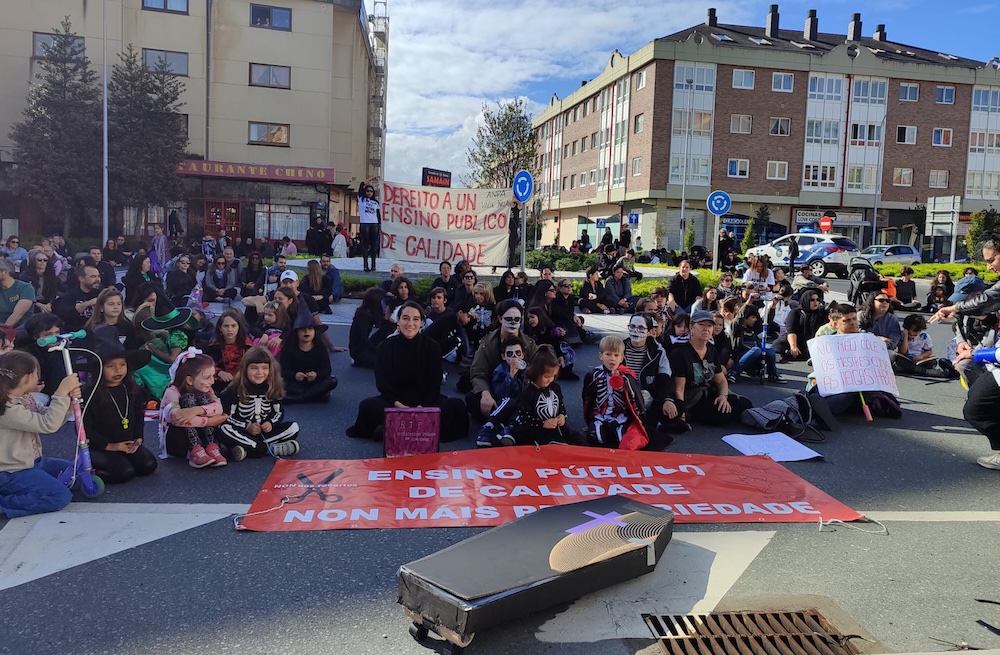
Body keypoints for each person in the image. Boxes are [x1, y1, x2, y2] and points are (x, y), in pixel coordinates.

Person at [347, 301, 469, 441]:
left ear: (422, 323)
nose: (410, 323)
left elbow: (434, 383)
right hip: (395, 402)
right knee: (367, 406)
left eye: (416, 319)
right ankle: (418, 431)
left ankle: (394, 431)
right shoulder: (385, 347)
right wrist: (399, 405)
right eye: (405, 318)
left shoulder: (432, 347)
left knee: (457, 406)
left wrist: (421, 407)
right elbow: (383, 384)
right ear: (398, 321)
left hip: (425, 402)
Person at [0, 350, 82, 518]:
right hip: (11, 472)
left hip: (33, 461)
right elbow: (47, 425)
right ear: (29, 377)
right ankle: (4, 503)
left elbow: (49, 416)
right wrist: (60, 393)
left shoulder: (25, 397)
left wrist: (67, 401)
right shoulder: (6, 408)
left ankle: (37, 483)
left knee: (76, 476)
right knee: (59, 496)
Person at [82, 327, 157, 484]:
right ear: (99, 368)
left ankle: (123, 457)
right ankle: (88, 471)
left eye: (122, 364)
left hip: (127, 442)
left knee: (148, 465)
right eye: (111, 366)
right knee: (125, 473)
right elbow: (84, 428)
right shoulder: (91, 393)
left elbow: (138, 415)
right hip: (101, 446)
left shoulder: (131, 389)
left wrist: (138, 438)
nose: (118, 370)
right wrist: (110, 446)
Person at [481, 346, 580, 446]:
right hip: (535, 430)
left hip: (555, 427)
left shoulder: (555, 387)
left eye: (553, 376)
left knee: (577, 440)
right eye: (546, 377)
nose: (550, 379)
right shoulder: (528, 392)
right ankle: (502, 430)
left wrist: (562, 416)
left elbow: (561, 406)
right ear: (536, 373)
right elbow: (525, 418)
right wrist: (542, 424)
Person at [669, 309, 751, 426]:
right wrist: (681, 416)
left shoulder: (711, 350)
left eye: (709, 325)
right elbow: (679, 388)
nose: (706, 329)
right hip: (692, 399)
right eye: (701, 325)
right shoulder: (680, 353)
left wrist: (723, 397)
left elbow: (721, 380)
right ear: (691, 327)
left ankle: (769, 418)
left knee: (743, 404)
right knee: (723, 414)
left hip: (708, 392)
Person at [219, 346, 300, 459]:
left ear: (270, 369)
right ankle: (269, 449)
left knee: (293, 427)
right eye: (254, 368)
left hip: (264, 433)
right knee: (225, 429)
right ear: (245, 369)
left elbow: (278, 412)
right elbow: (227, 417)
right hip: (242, 431)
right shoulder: (234, 390)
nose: (260, 372)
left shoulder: (273, 388)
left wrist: (270, 423)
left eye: (264, 368)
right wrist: (246, 426)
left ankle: (247, 448)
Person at [466, 300, 538, 421]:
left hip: (522, 391)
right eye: (509, 319)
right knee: (472, 398)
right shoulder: (487, 343)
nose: (513, 323)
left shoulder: (529, 344)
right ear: (500, 319)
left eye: (517, 319)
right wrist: (486, 394)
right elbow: (478, 373)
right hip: (496, 389)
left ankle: (501, 418)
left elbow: (539, 370)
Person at [622, 313, 685, 442]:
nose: (635, 331)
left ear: (650, 331)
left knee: (677, 406)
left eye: (640, 328)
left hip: (648, 397)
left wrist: (667, 400)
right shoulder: (619, 347)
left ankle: (644, 421)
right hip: (623, 396)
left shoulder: (658, 351)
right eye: (632, 327)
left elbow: (664, 378)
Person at [160, 350, 228, 468]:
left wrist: (196, 410)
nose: (212, 381)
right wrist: (209, 421)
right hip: (178, 439)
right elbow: (176, 418)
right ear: (189, 380)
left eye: (213, 376)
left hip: (199, 429)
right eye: (207, 377)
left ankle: (210, 445)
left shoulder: (207, 390)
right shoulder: (172, 391)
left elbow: (218, 407)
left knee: (203, 398)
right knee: (188, 398)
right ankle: (195, 448)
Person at [582, 336, 648, 449]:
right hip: (600, 415)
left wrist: (624, 387)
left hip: (620, 416)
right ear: (601, 355)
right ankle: (599, 428)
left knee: (623, 442)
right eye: (608, 354)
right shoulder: (594, 375)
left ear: (622, 358)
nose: (612, 359)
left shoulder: (627, 377)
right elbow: (586, 396)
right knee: (596, 439)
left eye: (616, 355)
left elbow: (636, 399)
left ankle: (616, 429)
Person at [475, 336, 528, 447]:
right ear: (504, 356)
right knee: (510, 401)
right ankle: (488, 427)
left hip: (518, 407)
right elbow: (501, 393)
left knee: (525, 407)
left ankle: (509, 430)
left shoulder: (527, 371)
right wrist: (511, 376)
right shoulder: (500, 371)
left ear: (522, 355)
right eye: (510, 354)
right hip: (503, 405)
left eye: (517, 353)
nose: (514, 357)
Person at [280, 309, 337, 404]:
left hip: (314, 382)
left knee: (332, 381)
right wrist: (294, 375)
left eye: (310, 329)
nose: (307, 332)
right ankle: (314, 395)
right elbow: (283, 370)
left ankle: (299, 397)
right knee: (277, 383)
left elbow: (326, 369)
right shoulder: (289, 348)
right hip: (295, 383)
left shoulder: (320, 347)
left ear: (315, 332)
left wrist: (316, 375)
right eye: (303, 329)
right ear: (296, 332)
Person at [726, 303, 784, 384]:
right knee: (756, 349)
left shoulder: (754, 329)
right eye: (752, 317)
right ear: (745, 319)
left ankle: (772, 374)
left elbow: (767, 322)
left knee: (770, 350)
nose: (755, 319)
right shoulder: (736, 329)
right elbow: (739, 318)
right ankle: (734, 372)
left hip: (756, 357)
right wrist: (748, 302)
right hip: (741, 356)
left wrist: (773, 307)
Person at [205, 308, 253, 394]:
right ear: (220, 328)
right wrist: (219, 372)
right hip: (219, 383)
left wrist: (242, 373)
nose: (230, 329)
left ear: (239, 327)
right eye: (226, 326)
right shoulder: (213, 346)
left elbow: (254, 365)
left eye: (233, 326)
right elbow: (206, 365)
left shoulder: (248, 346)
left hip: (244, 382)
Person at [773, 289, 827, 362]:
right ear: (806, 300)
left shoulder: (821, 313)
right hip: (794, 340)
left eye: (817, 300)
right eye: (812, 300)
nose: (816, 302)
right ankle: (777, 355)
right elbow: (791, 331)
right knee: (779, 344)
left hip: (810, 341)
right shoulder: (795, 312)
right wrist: (793, 346)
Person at [53, 264, 103, 332]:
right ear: (81, 278)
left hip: (99, 330)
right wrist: (87, 304)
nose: (97, 279)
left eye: (98, 276)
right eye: (93, 276)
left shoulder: (102, 293)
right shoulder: (70, 295)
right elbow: (64, 315)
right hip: (76, 331)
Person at [349, 288, 389, 368]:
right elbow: (362, 339)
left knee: (389, 326)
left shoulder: (371, 312)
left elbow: (384, 324)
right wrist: (376, 352)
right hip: (359, 350)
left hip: (364, 346)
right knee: (386, 364)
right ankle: (360, 360)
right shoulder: (363, 315)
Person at [0, 258, 35, 331]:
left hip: (21, 325)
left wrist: (3, 332)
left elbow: (18, 314)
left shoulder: (25, 288)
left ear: (4, 272)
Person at [358, 181, 381, 272]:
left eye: (371, 191)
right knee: (365, 245)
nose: (369, 193)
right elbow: (360, 187)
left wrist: (380, 225)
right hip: (364, 223)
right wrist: (366, 182)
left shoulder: (375, 202)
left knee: (373, 245)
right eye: (367, 191)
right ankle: (365, 265)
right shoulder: (361, 199)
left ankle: (373, 265)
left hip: (374, 224)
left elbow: (378, 215)